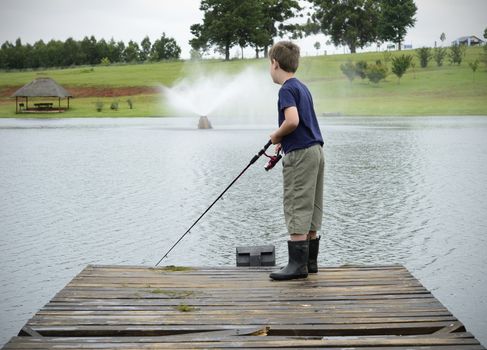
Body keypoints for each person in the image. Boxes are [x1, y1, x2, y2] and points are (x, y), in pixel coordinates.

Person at [268, 41, 325, 281]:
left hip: (301, 155)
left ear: (275, 63)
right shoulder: (302, 87)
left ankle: (297, 266)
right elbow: (303, 123)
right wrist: (285, 140)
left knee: (296, 202)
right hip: (316, 151)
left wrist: (276, 135)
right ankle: (310, 262)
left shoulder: (286, 90)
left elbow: (292, 120)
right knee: (311, 204)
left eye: (269, 65)